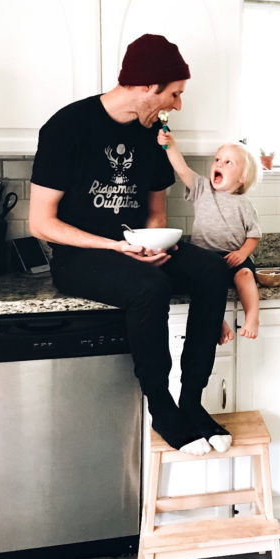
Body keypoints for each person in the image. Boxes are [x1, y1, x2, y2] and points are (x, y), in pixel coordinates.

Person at [28, 33, 232, 457]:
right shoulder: (67, 127)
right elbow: (41, 223)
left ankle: (192, 401)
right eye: (174, 94)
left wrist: (151, 243)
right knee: (148, 288)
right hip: (81, 257)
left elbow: (156, 210)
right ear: (146, 86)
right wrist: (115, 247)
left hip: (137, 246)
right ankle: (162, 406)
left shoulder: (154, 131)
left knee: (212, 271)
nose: (178, 105)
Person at [158, 130, 261, 339]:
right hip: (203, 257)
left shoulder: (245, 204)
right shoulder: (203, 188)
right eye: (217, 160)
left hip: (233, 257)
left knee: (246, 276)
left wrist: (242, 254)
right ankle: (218, 322)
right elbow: (182, 168)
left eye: (228, 162)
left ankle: (252, 316)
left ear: (242, 177)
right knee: (203, 283)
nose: (219, 164)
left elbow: (254, 235)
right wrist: (170, 145)